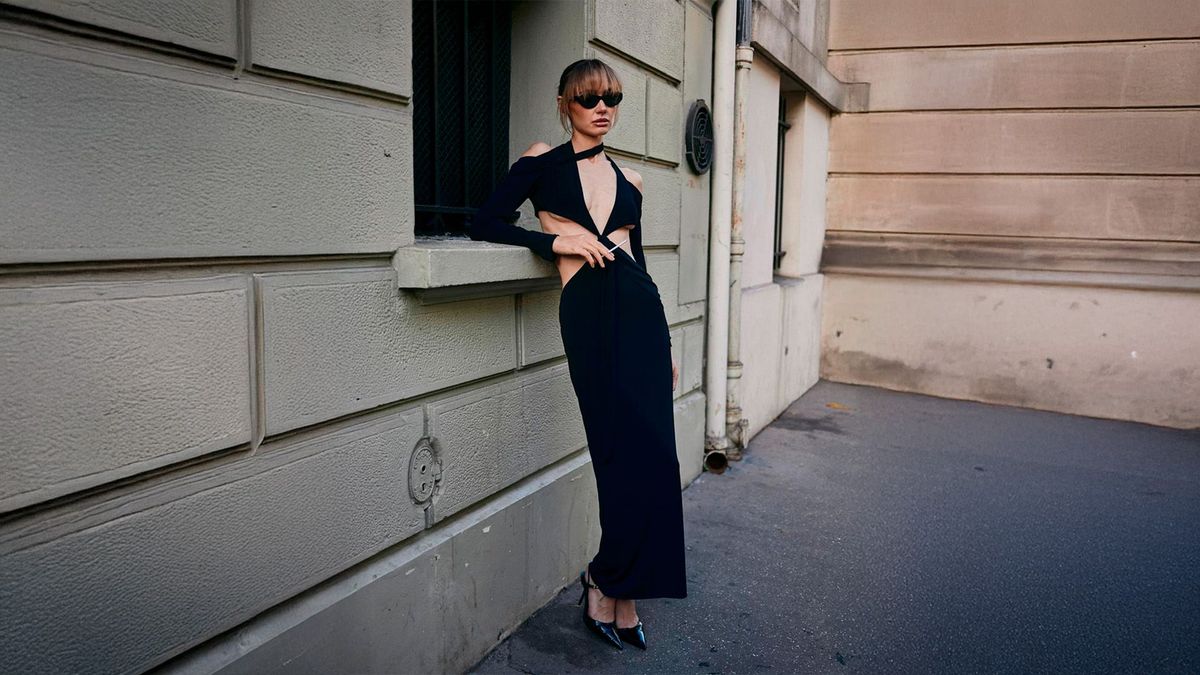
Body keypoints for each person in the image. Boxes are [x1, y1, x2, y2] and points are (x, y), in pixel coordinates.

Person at [466, 58, 687, 651]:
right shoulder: (543, 161)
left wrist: (665, 342)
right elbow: (485, 222)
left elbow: (640, 262)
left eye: (612, 97)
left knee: (654, 460)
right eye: (589, 98)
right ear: (565, 103)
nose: (603, 108)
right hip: (588, 315)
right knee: (616, 456)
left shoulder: (631, 180)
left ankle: (622, 591)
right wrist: (554, 240)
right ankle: (605, 580)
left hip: (640, 317)